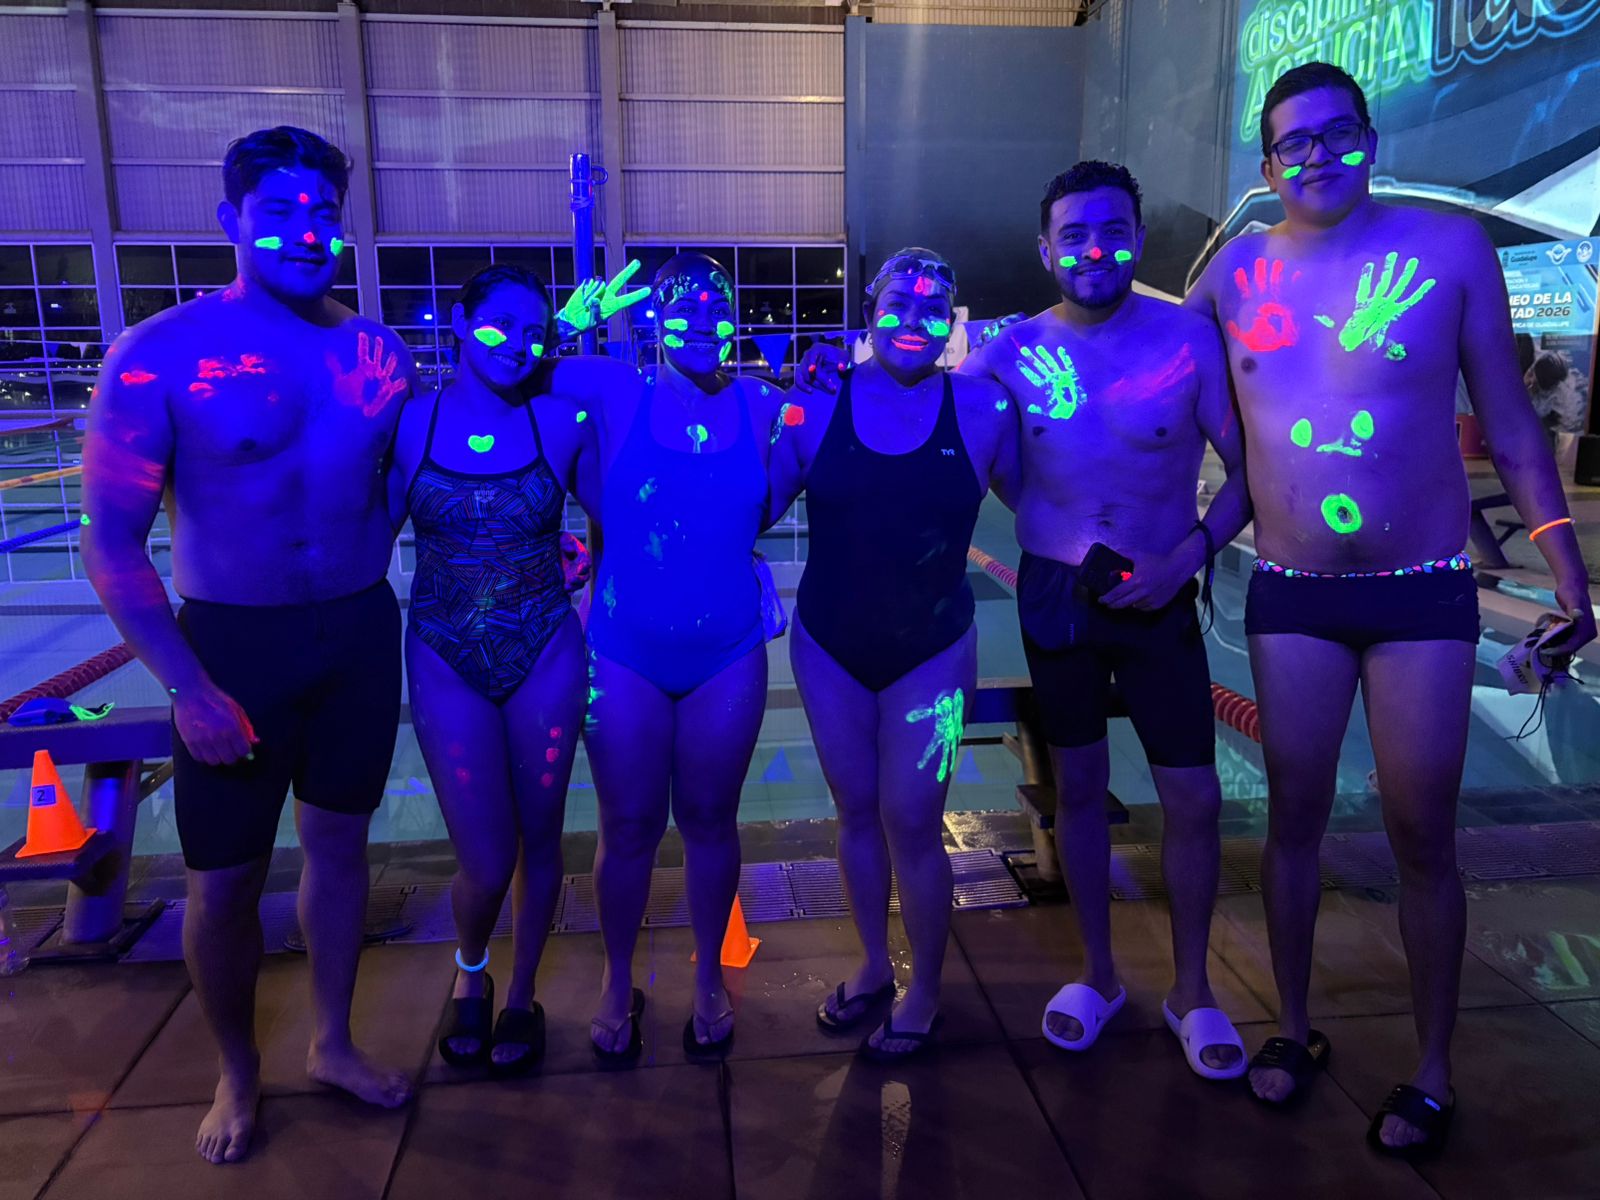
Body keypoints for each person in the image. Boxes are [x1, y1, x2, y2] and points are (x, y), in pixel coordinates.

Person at [1185, 63, 1595, 1153]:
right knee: (1293, 819)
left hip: (1420, 591)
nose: (1316, 155)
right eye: (1294, 142)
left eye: (1336, 134)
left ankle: (1431, 1069)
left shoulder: (1449, 249)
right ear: (1268, 162)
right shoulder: (1234, 272)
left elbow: (1511, 424)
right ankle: (1292, 1029)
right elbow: (1158, 383)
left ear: (1370, 138)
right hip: (1294, 593)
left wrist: (1564, 564)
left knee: (1421, 830)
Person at [81, 126, 418, 1164]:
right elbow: (110, 543)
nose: (306, 232)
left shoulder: (379, 354)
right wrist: (186, 686)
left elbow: (412, 491)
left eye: (324, 213)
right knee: (223, 880)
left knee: (341, 849)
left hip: (358, 632)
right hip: (232, 646)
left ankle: (332, 1042)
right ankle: (237, 1070)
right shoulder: (158, 355)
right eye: (279, 212)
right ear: (231, 219)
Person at [957, 163, 1253, 1079]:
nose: (1094, 250)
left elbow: (1249, 472)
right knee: (1078, 789)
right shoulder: (1007, 354)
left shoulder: (1190, 339)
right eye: (1074, 235)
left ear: (1138, 239)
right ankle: (1099, 975)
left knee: (1195, 798)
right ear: (1046, 249)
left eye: (1113, 231)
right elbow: (960, 454)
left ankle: (1193, 990)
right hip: (1057, 593)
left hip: (1164, 589)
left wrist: (1184, 559)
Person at [771, 249, 1015, 1060]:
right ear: (869, 310)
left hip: (933, 647)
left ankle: (926, 990)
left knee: (913, 820)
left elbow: (1050, 503)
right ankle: (874, 965)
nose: (914, 320)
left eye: (933, 307)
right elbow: (750, 502)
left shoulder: (983, 408)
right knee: (855, 812)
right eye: (897, 303)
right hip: (829, 643)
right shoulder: (817, 401)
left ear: (952, 319)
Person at [548, 253, 789, 1063]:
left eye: (717, 309)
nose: (701, 324)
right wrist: (566, 324)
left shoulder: (761, 402)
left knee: (712, 822)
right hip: (623, 652)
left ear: (735, 317)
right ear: (654, 320)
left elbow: (807, 460)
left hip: (727, 652)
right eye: (682, 310)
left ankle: (711, 977)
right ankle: (618, 978)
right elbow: (516, 375)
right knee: (627, 827)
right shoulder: (618, 390)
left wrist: (832, 372)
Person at [388, 263, 590, 1076]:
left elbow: (622, 513)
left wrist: (594, 571)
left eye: (535, 332)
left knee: (540, 838)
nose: (518, 344)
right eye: (501, 325)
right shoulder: (412, 424)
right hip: (445, 654)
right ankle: (470, 970)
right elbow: (361, 537)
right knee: (484, 857)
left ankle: (522, 995)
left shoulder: (559, 423)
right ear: (459, 323)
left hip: (545, 648)